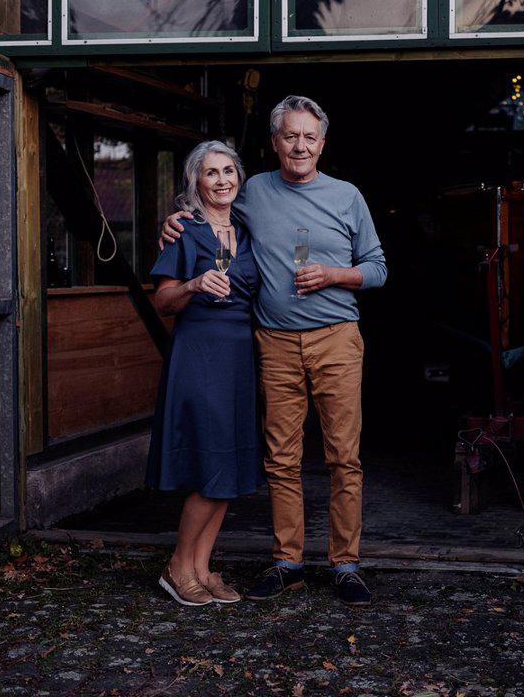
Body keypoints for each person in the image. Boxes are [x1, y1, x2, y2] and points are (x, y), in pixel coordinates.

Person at [161, 96, 386, 606]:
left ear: (322, 143)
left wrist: (333, 274)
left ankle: (345, 564)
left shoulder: (347, 196)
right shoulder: (254, 190)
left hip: (337, 338)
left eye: (310, 137)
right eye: (290, 136)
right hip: (275, 340)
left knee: (342, 457)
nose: (300, 146)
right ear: (275, 142)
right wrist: (172, 222)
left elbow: (378, 267)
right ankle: (289, 561)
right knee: (281, 458)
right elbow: (207, 205)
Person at [148, 140, 261, 607]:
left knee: (230, 463)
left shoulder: (248, 231)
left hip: (239, 360)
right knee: (210, 464)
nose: (222, 180)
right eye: (211, 172)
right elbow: (163, 301)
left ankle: (202, 566)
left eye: (229, 170)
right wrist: (193, 284)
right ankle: (177, 566)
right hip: (200, 356)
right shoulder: (185, 234)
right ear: (196, 181)